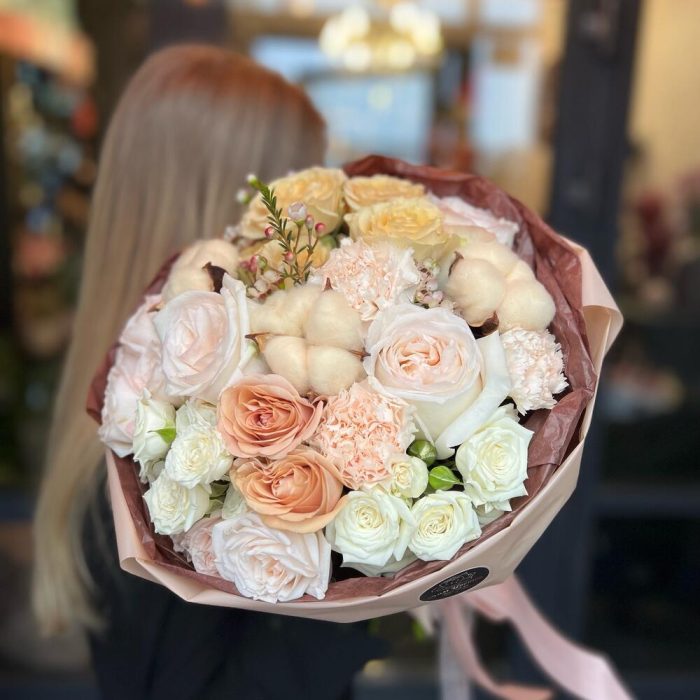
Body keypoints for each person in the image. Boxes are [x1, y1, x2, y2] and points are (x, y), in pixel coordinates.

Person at [32, 45, 384, 699]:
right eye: (302, 189)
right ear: (238, 204)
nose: (321, 220)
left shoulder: (129, 431)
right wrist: (366, 572)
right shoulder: (162, 471)